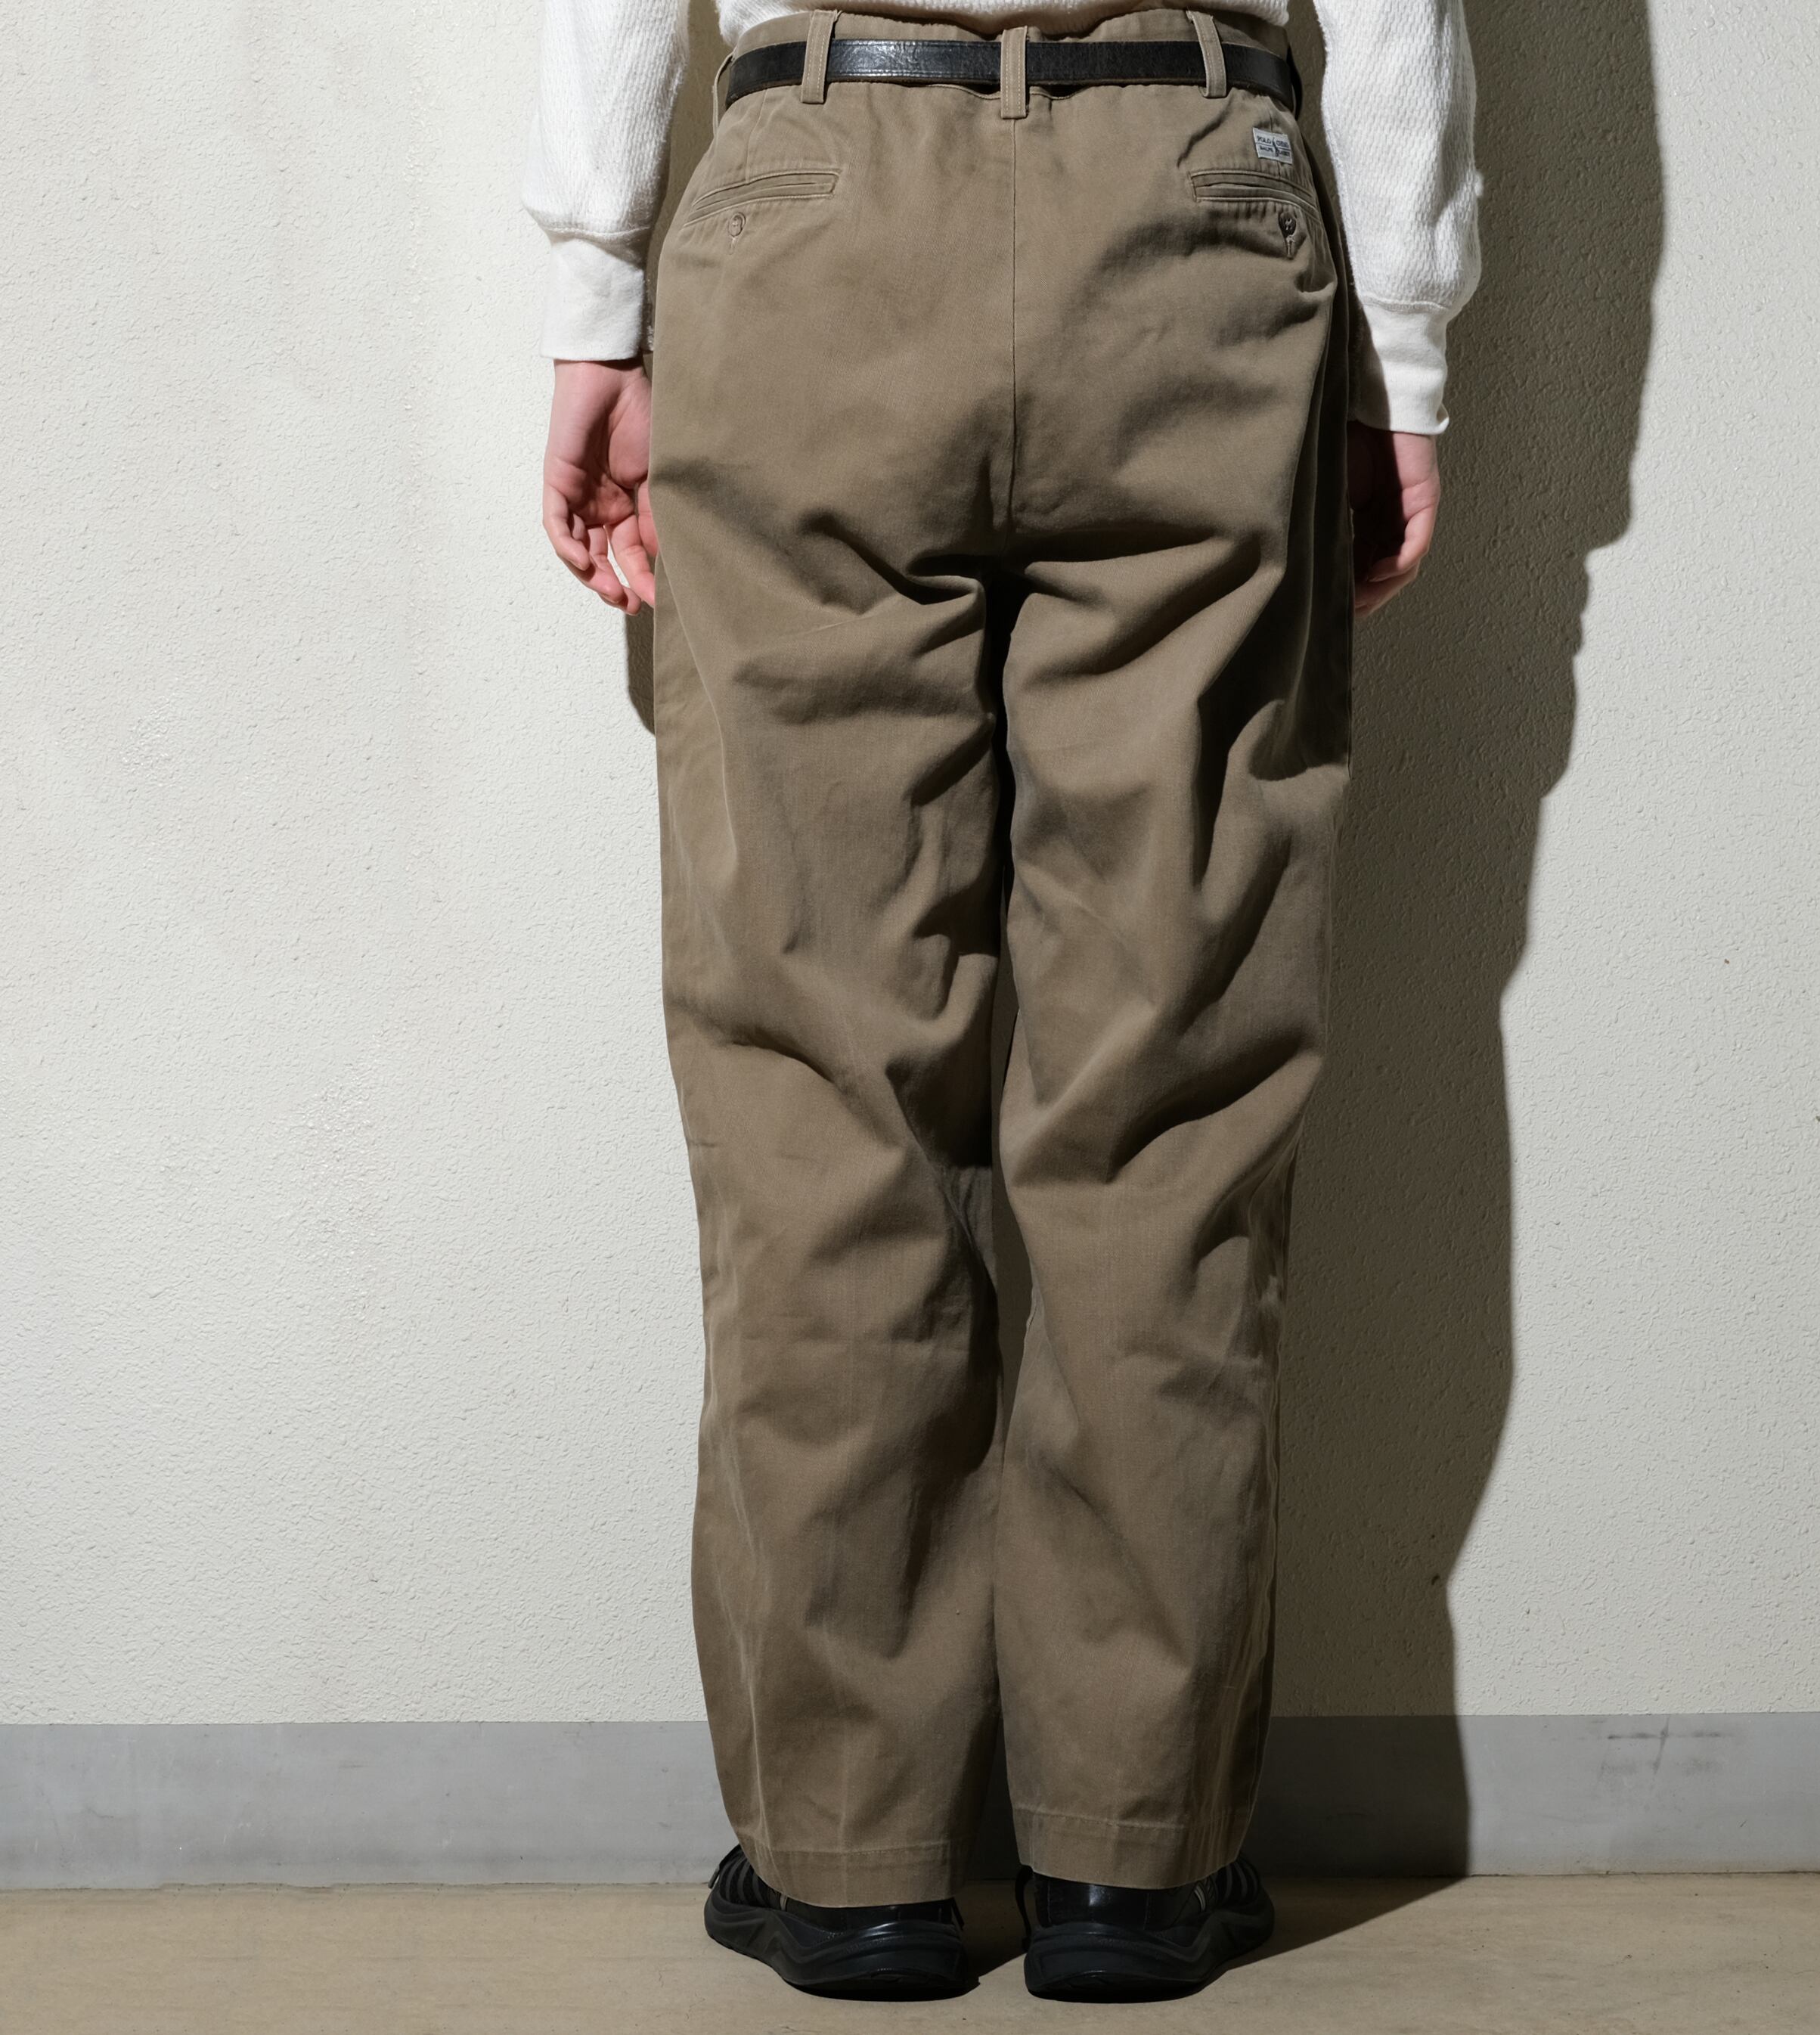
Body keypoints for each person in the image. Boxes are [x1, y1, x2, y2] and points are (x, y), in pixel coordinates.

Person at [526, 0, 1477, 2002]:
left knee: (823, 1088)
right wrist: (1402, 339)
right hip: (1186, 208)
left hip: (818, 200)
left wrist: (596, 290)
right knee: (1168, 1092)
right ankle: (1135, 1860)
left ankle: (851, 1859)